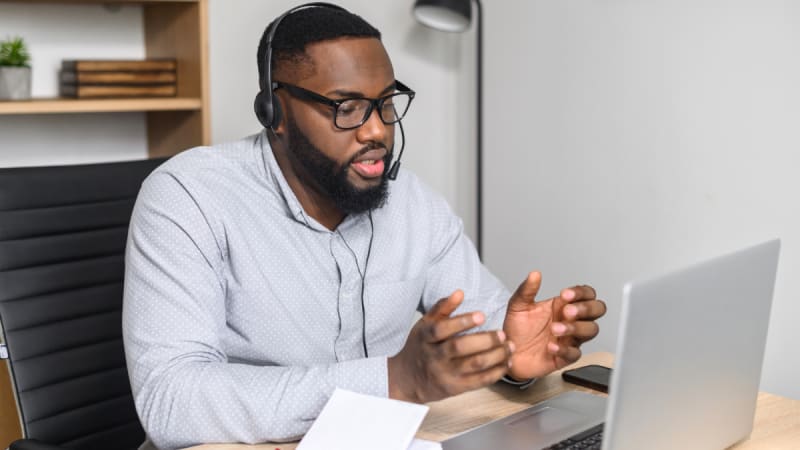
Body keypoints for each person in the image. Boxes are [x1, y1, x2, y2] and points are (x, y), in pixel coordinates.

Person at [122, 4, 607, 450]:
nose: (377, 130)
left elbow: (483, 314)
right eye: (346, 107)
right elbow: (170, 399)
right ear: (275, 110)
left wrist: (511, 355)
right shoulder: (188, 197)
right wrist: (393, 380)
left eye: (386, 102)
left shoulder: (412, 201)